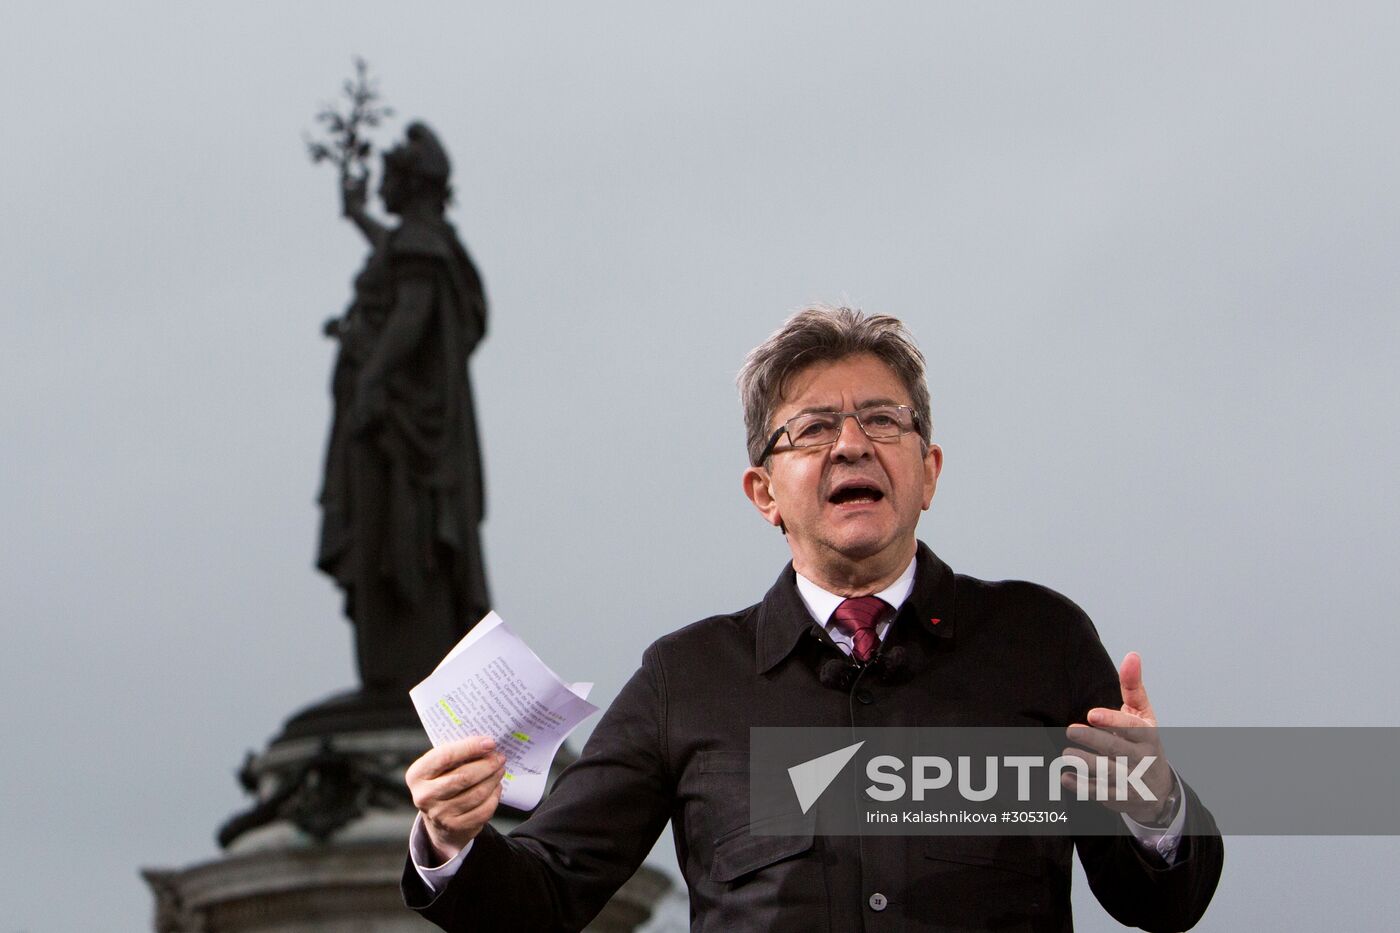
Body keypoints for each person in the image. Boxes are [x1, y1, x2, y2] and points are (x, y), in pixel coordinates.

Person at [400, 307, 1223, 931]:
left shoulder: (1040, 641)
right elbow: (541, 895)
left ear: (928, 471)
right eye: (814, 429)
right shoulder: (684, 680)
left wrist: (1154, 807)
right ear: (764, 492)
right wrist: (448, 839)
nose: (852, 444)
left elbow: (1161, 903)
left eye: (883, 420)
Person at [317, 122, 490, 694]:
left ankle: (405, 662)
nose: (381, 186)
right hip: (394, 419)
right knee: (390, 533)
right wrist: (356, 216)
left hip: (401, 428)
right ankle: (401, 662)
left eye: (389, 176)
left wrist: (372, 377)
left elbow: (411, 317)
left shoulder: (422, 246)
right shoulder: (423, 242)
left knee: (398, 533)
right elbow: (397, 252)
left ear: (412, 184)